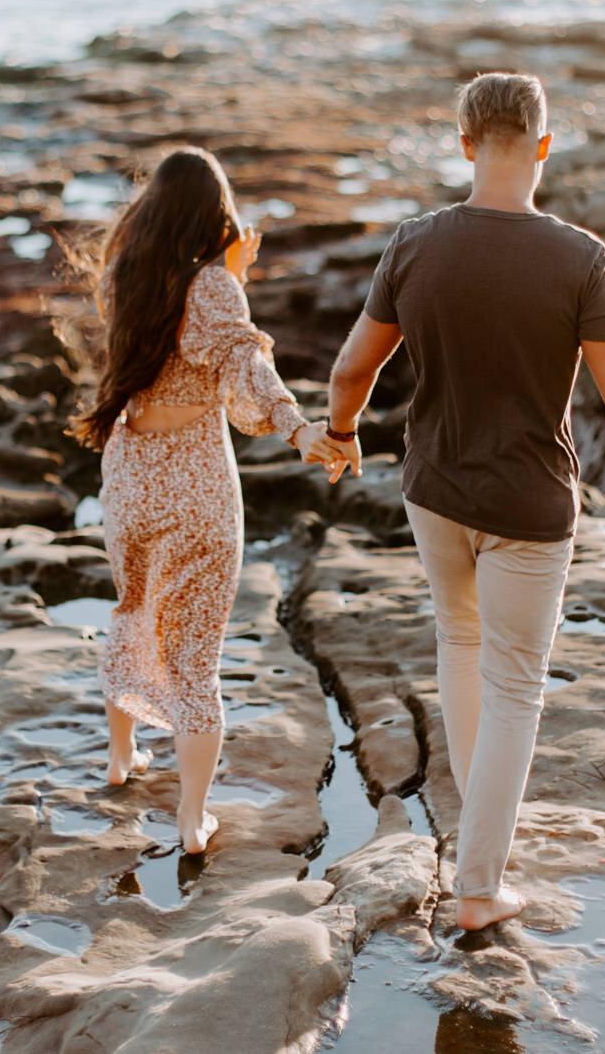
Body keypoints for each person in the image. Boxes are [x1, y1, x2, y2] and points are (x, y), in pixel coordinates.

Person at [322, 72, 605, 930]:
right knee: (516, 685)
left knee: (461, 645)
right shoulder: (579, 257)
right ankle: (477, 888)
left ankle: (470, 837)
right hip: (529, 503)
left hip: (434, 494)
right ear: (543, 145)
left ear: (464, 143)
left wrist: (341, 432)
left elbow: (351, 371)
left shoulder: (415, 243)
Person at [70, 146, 350, 855]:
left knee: (135, 609)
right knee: (194, 650)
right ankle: (193, 819)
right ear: (214, 216)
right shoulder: (212, 288)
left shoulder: (124, 277)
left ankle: (120, 757)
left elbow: (189, 341)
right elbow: (242, 365)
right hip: (193, 480)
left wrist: (234, 275)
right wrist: (299, 429)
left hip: (131, 471)